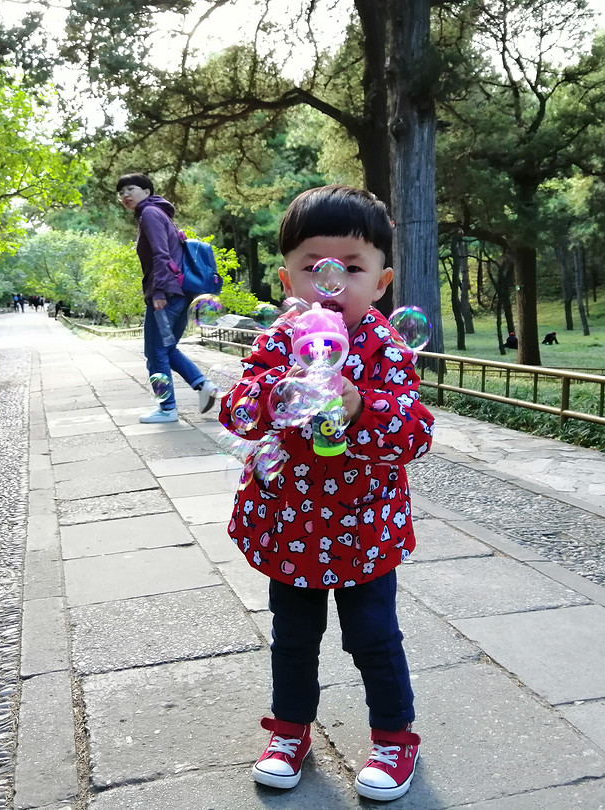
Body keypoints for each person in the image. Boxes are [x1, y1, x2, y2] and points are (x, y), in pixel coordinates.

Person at [219, 185, 434, 801]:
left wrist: (360, 406)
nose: (331, 283)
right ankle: (289, 730)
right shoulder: (277, 341)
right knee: (292, 636)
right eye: (314, 268)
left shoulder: (387, 349)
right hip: (289, 522)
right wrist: (275, 395)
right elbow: (235, 412)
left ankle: (394, 740)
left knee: (372, 636)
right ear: (287, 276)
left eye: (352, 269)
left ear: (383, 280)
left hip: (362, 524)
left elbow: (415, 434)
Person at [117, 172, 218, 423]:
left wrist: (158, 292)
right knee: (167, 348)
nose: (125, 195)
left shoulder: (149, 214)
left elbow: (161, 256)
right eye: (121, 193)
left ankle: (167, 409)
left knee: (155, 352)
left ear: (147, 192)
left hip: (166, 294)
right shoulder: (158, 213)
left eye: (131, 189)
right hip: (178, 293)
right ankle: (203, 384)